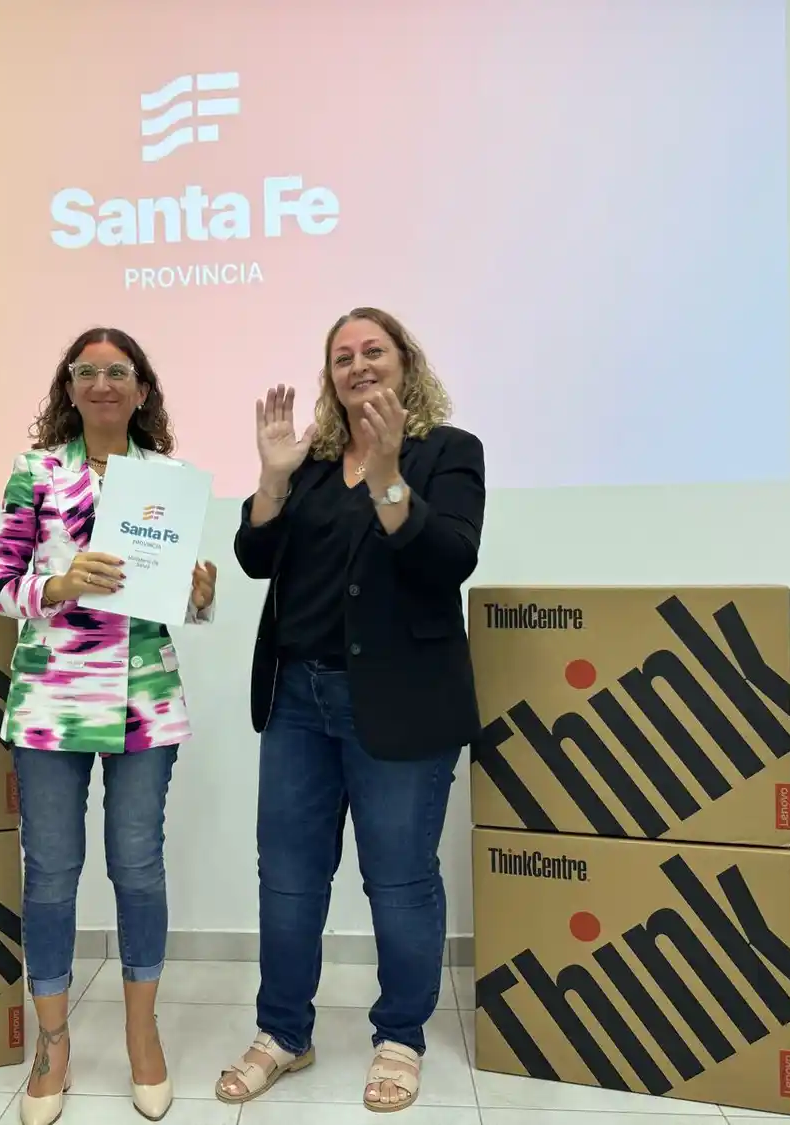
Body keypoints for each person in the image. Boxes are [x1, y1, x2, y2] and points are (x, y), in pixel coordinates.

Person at [217, 308, 485, 1113]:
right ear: (329, 374)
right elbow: (255, 559)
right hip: (299, 696)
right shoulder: (310, 463)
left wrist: (391, 475)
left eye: (375, 351)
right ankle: (283, 1033)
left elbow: (449, 559)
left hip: (399, 703)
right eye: (343, 356)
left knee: (399, 880)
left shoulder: (449, 452)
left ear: (406, 363)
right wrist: (270, 477)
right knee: (289, 879)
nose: (359, 365)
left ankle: (400, 1036)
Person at [0, 326, 217, 1125]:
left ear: (142, 389)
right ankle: (52, 1045)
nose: (105, 383)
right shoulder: (37, 471)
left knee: (138, 868)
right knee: (49, 873)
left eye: (120, 371)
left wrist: (199, 591)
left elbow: (180, 606)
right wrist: (56, 581)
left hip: (144, 700)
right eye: (89, 371)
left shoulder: (170, 480)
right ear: (70, 387)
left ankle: (141, 1033)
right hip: (51, 701)